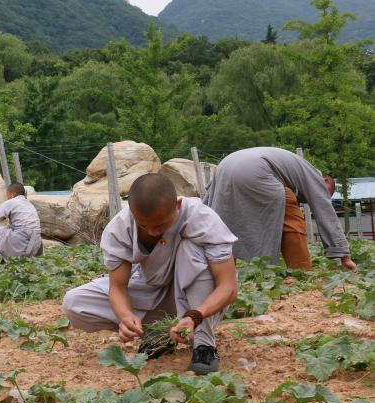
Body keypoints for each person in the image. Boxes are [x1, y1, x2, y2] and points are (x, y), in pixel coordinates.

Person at [63, 173, 238, 374]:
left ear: (178, 207)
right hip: (152, 290)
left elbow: (228, 287)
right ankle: (159, 333)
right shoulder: (120, 227)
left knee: (192, 248)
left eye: (160, 225)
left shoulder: (201, 218)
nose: (153, 232)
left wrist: (194, 316)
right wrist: (126, 316)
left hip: (199, 297)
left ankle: (203, 345)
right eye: (143, 225)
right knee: (75, 303)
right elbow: (118, 287)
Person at [203, 147, 357, 271]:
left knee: (225, 223)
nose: (320, 195)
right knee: (291, 216)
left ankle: (222, 273)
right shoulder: (314, 176)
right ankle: (301, 272)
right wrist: (344, 255)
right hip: (256, 169)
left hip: (224, 166)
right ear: (325, 180)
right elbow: (325, 211)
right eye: (325, 192)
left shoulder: (291, 167)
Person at [0, 182, 43, 263]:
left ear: (12, 194)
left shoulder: (11, 202)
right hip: (35, 246)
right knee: (6, 230)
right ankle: (2, 257)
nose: (7, 198)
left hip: (21, 243)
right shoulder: (29, 204)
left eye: (7, 195)